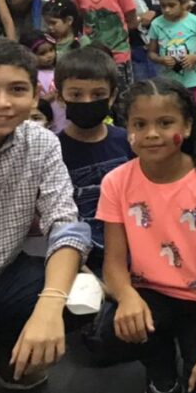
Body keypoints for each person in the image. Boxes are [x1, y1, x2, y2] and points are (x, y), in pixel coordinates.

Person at [0, 37, 91, 393]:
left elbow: (65, 223)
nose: (1, 103)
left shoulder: (41, 143)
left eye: (16, 89)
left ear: (34, 96)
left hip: (2, 276)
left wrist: (50, 304)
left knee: (85, 293)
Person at [95, 79, 196, 393]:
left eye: (165, 123)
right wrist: (127, 296)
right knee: (107, 336)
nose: (151, 134)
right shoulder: (116, 182)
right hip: (150, 292)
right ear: (127, 128)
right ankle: (160, 370)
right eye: (139, 124)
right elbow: (114, 262)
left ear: (186, 127)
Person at [56, 46, 131, 273]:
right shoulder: (52, 152)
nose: (87, 102)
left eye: (98, 95)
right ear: (60, 97)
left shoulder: (128, 142)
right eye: (76, 95)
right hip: (80, 262)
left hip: (133, 253)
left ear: (112, 97)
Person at [148, 0, 196, 104]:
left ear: (183, 3)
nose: (167, 10)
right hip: (167, 84)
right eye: (163, 6)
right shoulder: (156, 24)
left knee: (192, 116)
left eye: (172, 5)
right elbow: (151, 53)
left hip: (192, 82)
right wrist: (161, 59)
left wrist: (194, 57)